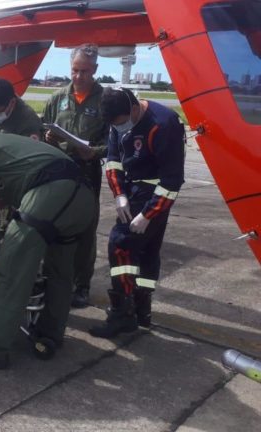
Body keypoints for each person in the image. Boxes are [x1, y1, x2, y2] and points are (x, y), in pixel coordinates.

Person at [0, 134, 94, 369]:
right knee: (60, 272)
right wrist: (1, 200)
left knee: (11, 269)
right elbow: (24, 175)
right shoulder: (7, 146)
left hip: (52, 195)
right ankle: (50, 334)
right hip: (83, 200)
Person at [89, 87, 185, 338]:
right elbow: (113, 161)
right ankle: (142, 310)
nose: (118, 128)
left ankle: (123, 314)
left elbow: (172, 180)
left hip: (154, 195)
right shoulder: (116, 120)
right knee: (146, 250)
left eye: (121, 123)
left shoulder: (163, 125)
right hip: (131, 191)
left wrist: (149, 214)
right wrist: (119, 194)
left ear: (133, 109)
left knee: (120, 244)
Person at [43, 43, 109, 308]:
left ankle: (81, 286)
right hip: (59, 170)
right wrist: (48, 137)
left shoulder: (105, 101)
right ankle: (53, 278)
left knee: (84, 230)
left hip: (87, 171)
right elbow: (42, 127)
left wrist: (95, 152)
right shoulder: (58, 98)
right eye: (74, 70)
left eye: (84, 71)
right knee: (53, 225)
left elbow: (115, 141)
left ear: (95, 70)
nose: (78, 76)